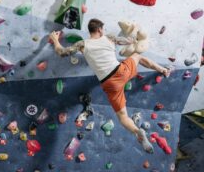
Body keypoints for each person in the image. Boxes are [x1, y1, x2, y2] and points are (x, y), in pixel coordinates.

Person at [49, 18, 170, 153]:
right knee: (137, 56)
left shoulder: (82, 44)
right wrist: (133, 37)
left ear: (91, 31)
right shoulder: (109, 38)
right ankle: (162, 69)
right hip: (121, 71)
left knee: (123, 116)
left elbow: (62, 52)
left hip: (109, 83)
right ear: (100, 29)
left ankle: (137, 131)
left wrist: (55, 39)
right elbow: (128, 41)